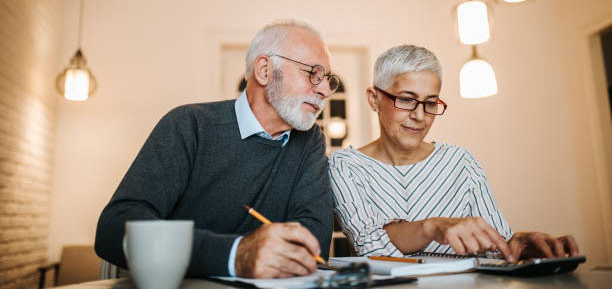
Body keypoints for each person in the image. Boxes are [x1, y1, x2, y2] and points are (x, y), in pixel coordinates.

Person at [95, 20, 340, 278]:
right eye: (313, 72)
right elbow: (114, 230)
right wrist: (235, 255)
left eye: (327, 79)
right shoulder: (189, 125)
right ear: (265, 70)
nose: (324, 90)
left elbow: (312, 246)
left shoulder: (310, 141)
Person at [328, 45, 579, 262]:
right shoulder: (345, 166)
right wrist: (432, 227)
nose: (419, 115)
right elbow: (371, 246)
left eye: (430, 103)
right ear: (374, 99)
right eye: (406, 99)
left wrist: (520, 243)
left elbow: (495, 249)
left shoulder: (461, 162)